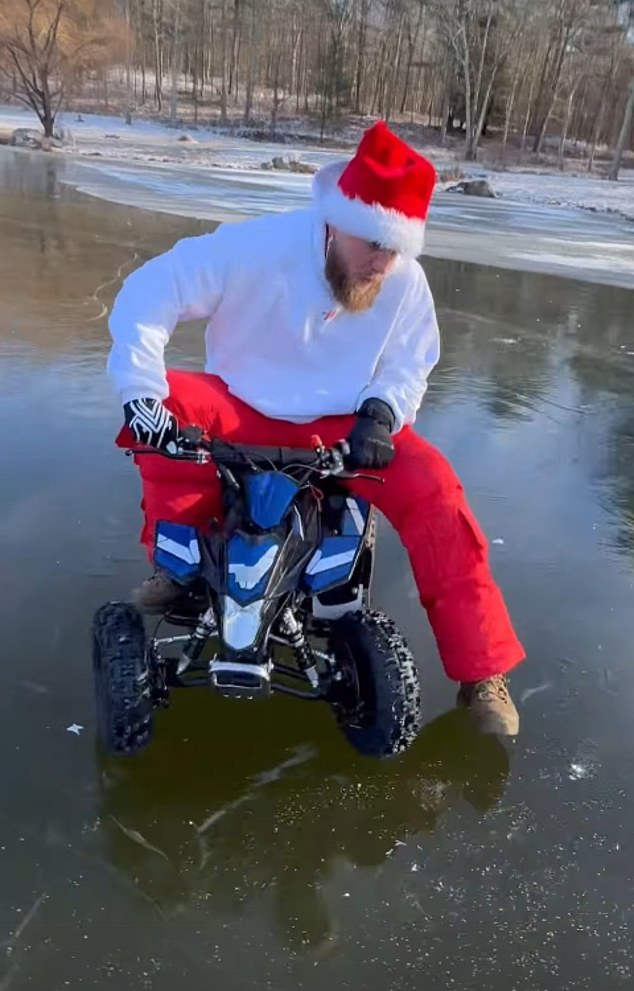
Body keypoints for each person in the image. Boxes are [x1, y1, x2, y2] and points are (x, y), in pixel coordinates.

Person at [107, 120, 525, 735]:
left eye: (394, 249)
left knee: (436, 489)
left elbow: (413, 360)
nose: (380, 262)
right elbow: (148, 293)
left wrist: (382, 412)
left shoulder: (402, 280)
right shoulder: (255, 247)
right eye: (369, 244)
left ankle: (482, 673)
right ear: (335, 220)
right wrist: (141, 396)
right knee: (162, 409)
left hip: (341, 428)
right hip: (239, 408)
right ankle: (181, 571)